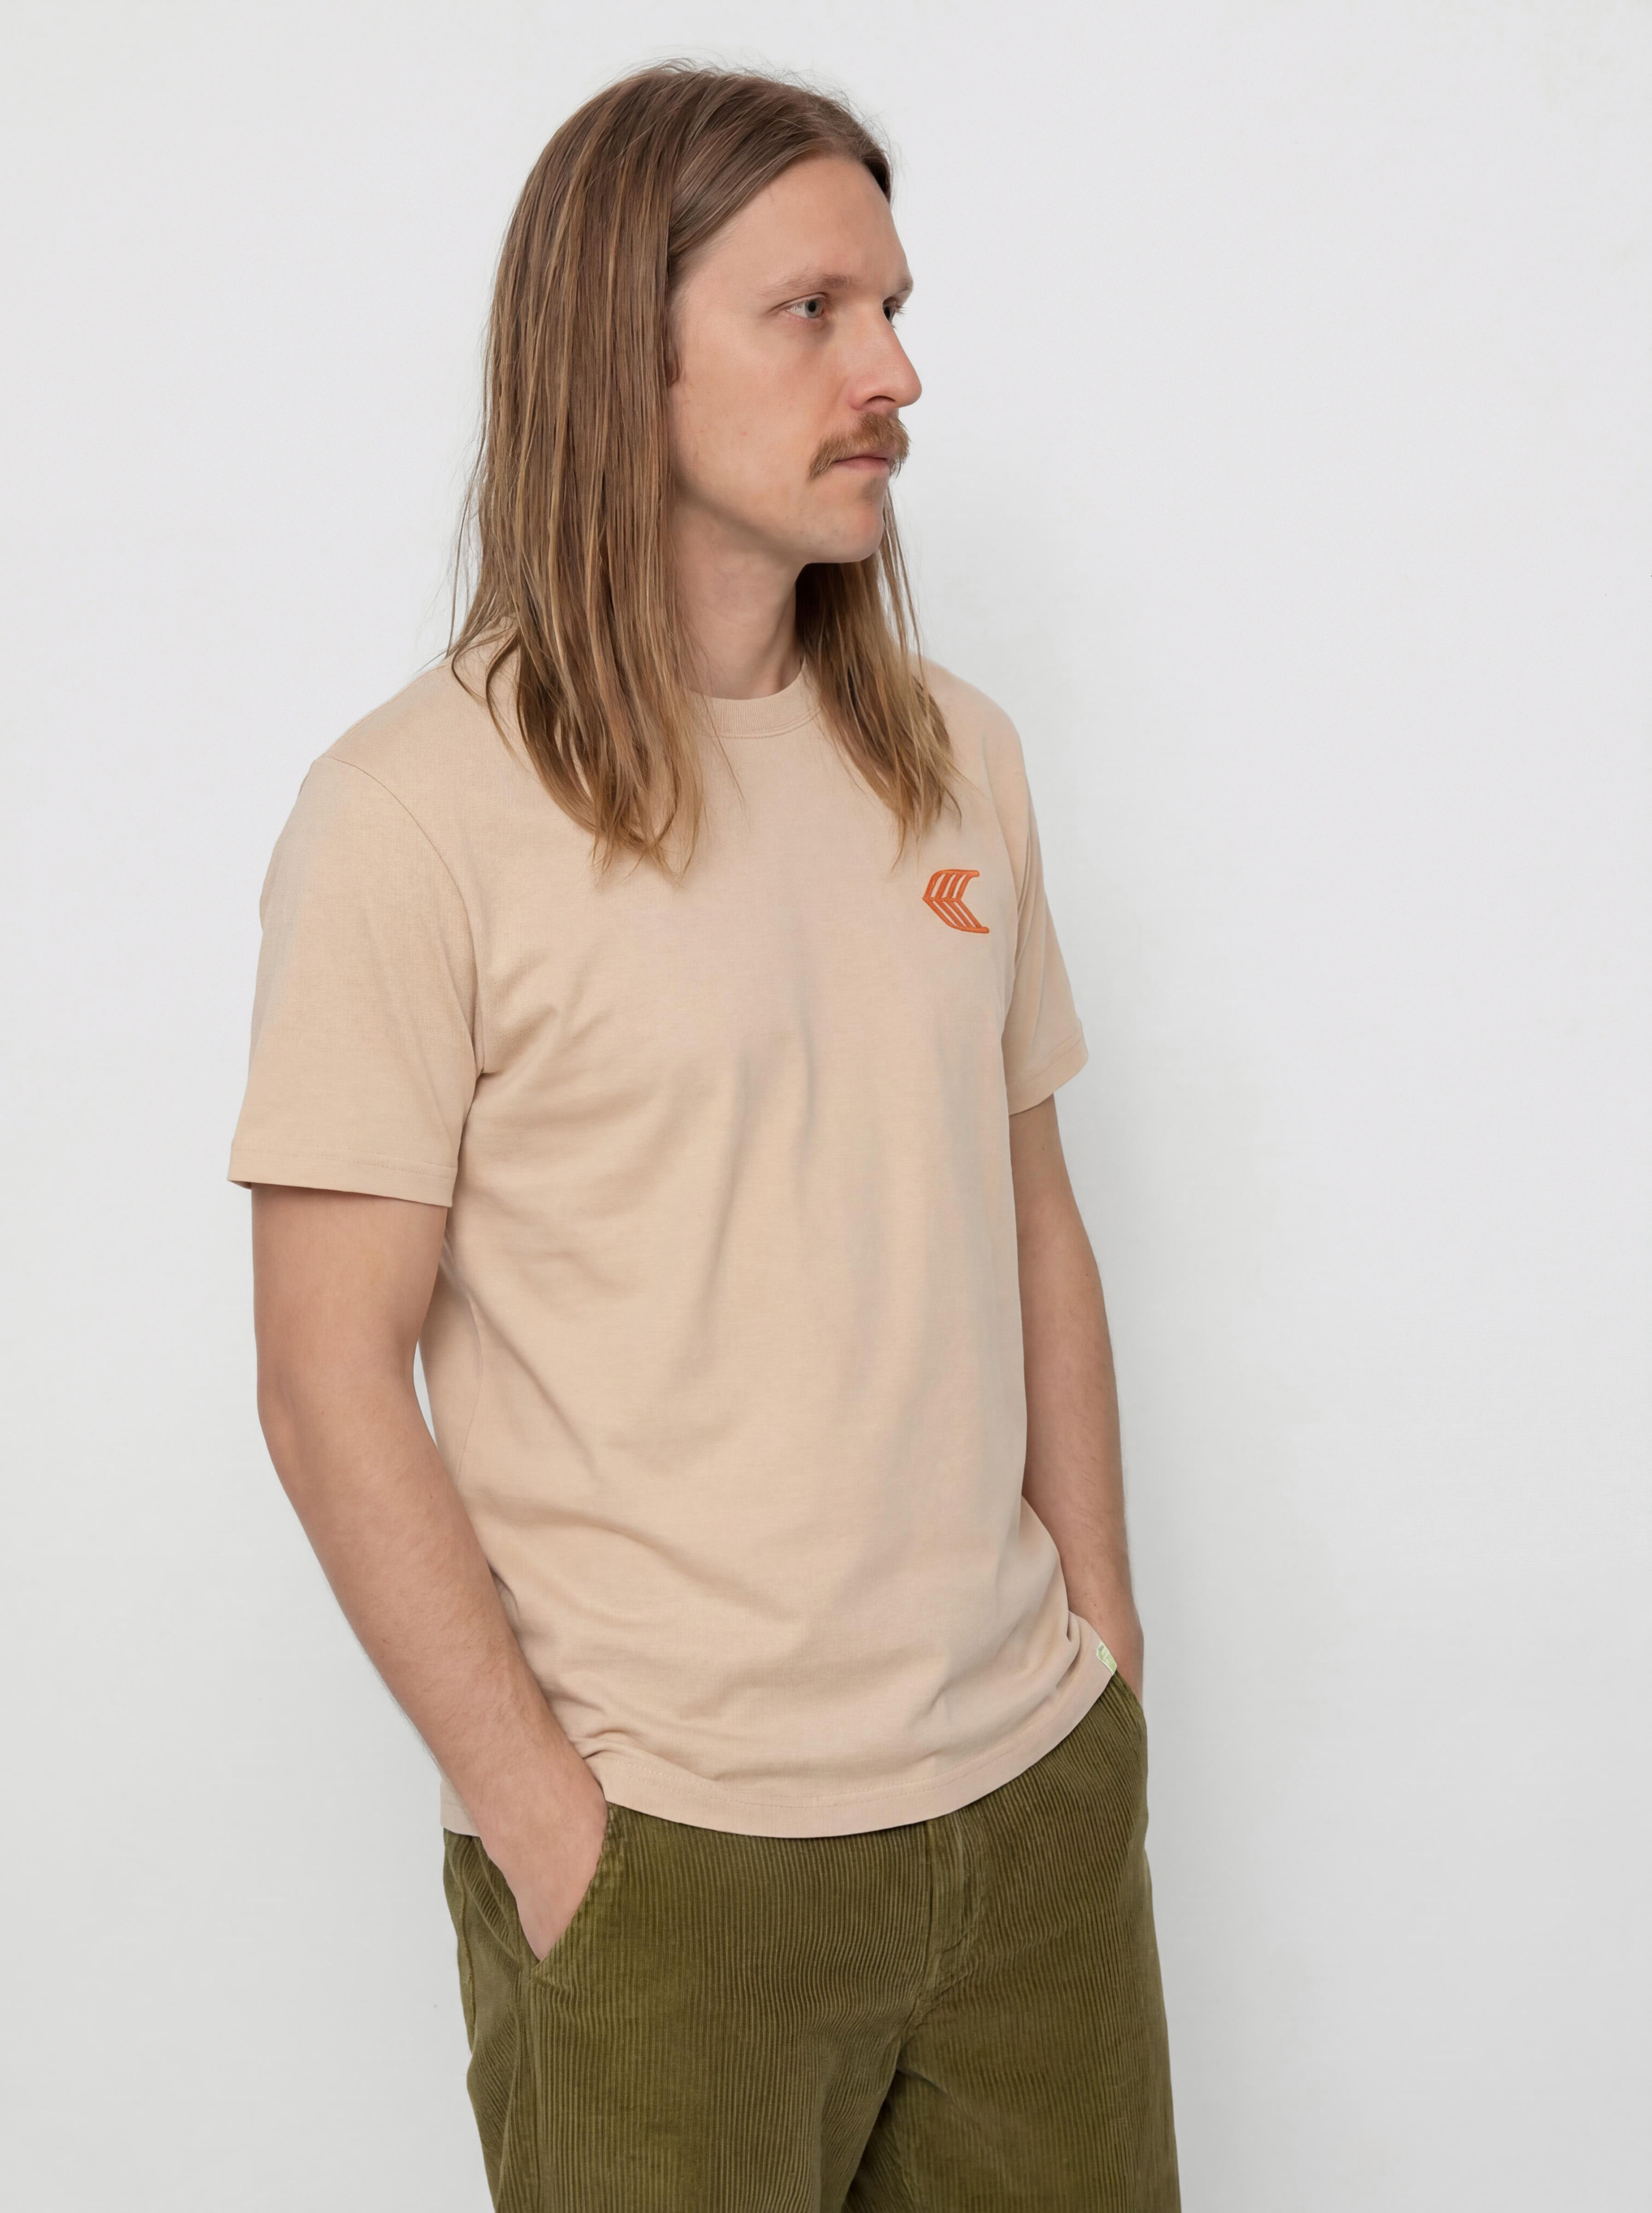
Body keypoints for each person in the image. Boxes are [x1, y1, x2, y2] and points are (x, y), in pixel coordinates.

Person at [229, 60, 1180, 2212]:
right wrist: (552, 1830)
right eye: (812, 311)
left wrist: (1101, 1663)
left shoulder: (956, 758)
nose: (891, 373)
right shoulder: (410, 818)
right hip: (669, 1867)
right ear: (615, 350)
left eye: (893, 308)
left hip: (1026, 1819)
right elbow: (321, 1372)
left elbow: (1031, 1217)